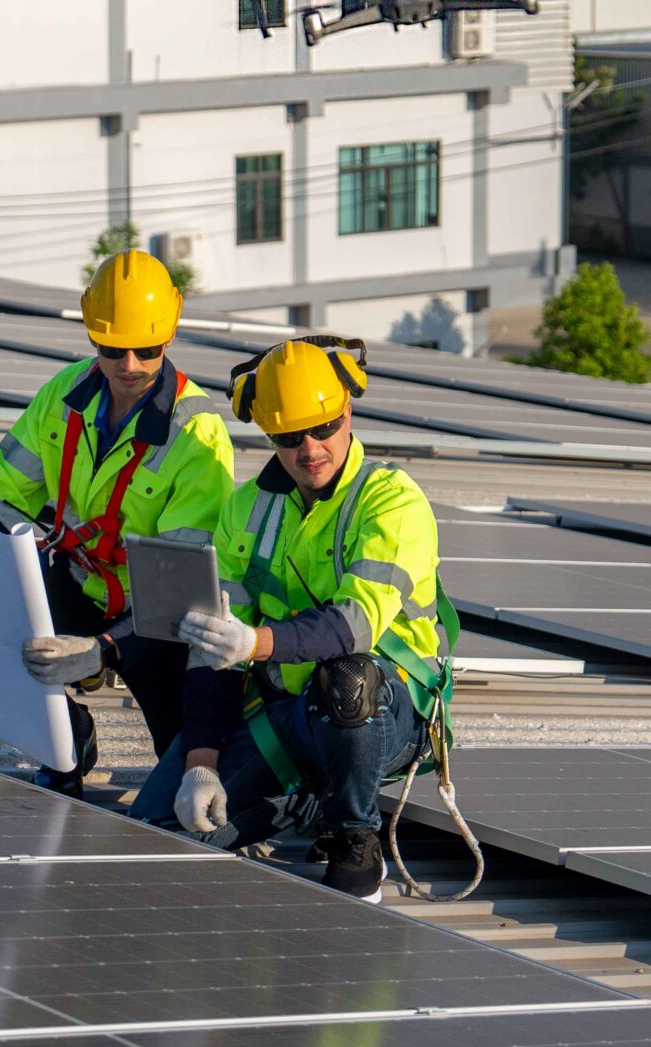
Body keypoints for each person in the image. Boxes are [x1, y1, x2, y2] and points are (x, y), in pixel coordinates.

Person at [0, 250, 235, 795]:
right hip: (77, 583)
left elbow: (176, 596)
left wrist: (102, 650)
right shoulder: (65, 396)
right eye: (111, 349)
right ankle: (66, 741)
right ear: (91, 335)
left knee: (178, 774)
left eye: (145, 350)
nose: (129, 366)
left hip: (152, 624)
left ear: (169, 336)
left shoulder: (197, 434)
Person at [133, 335, 455, 903]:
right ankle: (301, 806)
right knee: (161, 827)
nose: (309, 448)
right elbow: (213, 647)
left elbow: (349, 628)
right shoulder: (247, 508)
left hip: (382, 715)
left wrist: (252, 642)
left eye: (323, 428)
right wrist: (200, 765)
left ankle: (355, 838)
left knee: (350, 676)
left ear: (346, 412)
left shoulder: (391, 501)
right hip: (288, 716)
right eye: (288, 435)